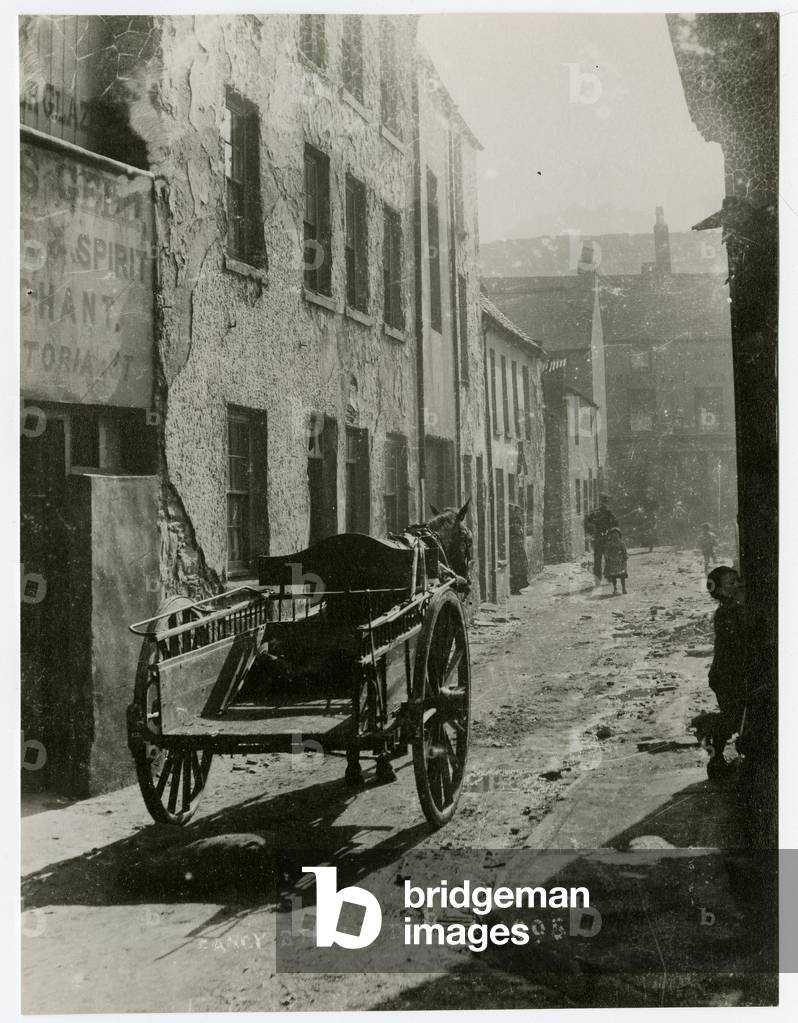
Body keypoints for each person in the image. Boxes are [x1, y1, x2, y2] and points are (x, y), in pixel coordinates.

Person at [704, 565, 746, 776]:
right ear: (719, 591)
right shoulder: (727, 613)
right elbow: (737, 644)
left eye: (738, 580)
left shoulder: (733, 609)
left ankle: (718, 755)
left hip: (728, 674)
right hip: (727, 675)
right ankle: (715, 758)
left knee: (735, 716)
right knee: (731, 718)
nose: (738, 585)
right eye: (732, 583)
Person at [584, 493, 618, 584]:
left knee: (598, 559)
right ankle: (608, 576)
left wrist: (591, 532)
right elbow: (615, 522)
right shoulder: (608, 511)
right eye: (605, 501)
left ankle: (598, 579)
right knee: (608, 558)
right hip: (606, 537)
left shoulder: (595, 512)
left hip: (598, 537)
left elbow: (586, 522)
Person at [604, 526, 628, 595]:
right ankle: (615, 589)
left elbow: (624, 552)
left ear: (619, 535)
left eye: (616, 534)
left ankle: (624, 588)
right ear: (611, 535)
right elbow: (606, 552)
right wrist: (607, 558)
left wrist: (625, 559)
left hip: (620, 561)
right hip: (612, 562)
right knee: (614, 576)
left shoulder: (622, 543)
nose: (615, 535)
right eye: (613, 534)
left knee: (622, 575)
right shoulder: (609, 544)